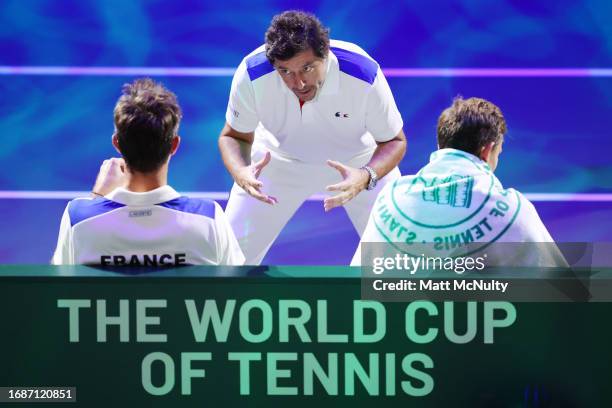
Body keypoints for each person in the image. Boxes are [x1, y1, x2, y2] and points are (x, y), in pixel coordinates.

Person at [219, 10, 406, 264]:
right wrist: (241, 172)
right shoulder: (252, 73)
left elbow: (394, 141)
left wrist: (365, 176)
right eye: (285, 71)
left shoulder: (363, 73)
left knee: (398, 263)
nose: (298, 82)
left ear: (325, 54)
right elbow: (233, 136)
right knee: (227, 261)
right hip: (275, 163)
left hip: (358, 161)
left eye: (307, 68)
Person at [353, 96, 566, 267]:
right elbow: (564, 291)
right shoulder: (511, 209)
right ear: (488, 150)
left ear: (440, 146)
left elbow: (356, 282)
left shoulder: (392, 198)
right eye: (498, 153)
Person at [52, 78, 244, 266]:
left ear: (116, 143)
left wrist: (97, 198)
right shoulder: (209, 219)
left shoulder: (78, 218)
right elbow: (237, 290)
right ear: (174, 145)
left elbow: (55, 288)